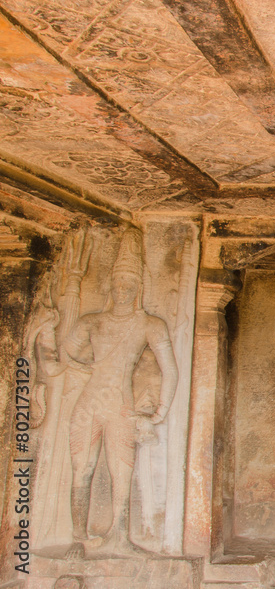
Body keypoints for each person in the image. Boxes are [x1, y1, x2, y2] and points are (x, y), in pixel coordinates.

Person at [62, 230, 178, 559]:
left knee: (121, 473)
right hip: (89, 404)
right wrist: (82, 366)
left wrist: (159, 413)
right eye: (118, 284)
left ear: (139, 288)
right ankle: (78, 536)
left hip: (122, 406)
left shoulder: (149, 324)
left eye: (129, 284)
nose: (123, 290)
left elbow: (170, 370)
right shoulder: (92, 321)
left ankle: (120, 536)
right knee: (81, 469)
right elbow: (65, 353)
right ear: (111, 286)